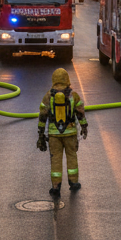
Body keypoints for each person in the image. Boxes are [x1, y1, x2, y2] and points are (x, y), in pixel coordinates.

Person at [37, 68, 87, 196]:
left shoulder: (48, 95)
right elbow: (80, 112)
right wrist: (83, 127)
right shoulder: (73, 95)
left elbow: (43, 115)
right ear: (67, 80)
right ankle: (74, 182)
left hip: (54, 135)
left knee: (55, 159)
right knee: (71, 156)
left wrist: (41, 133)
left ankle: (56, 187)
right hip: (70, 133)